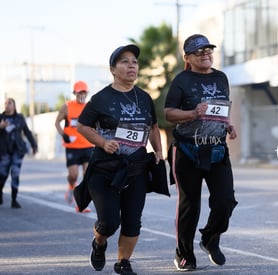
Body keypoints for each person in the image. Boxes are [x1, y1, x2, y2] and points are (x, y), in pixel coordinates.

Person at [77, 44, 163, 275]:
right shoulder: (101, 99)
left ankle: (123, 262)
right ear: (113, 69)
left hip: (135, 169)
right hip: (105, 170)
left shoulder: (144, 98)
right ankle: (99, 242)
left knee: (133, 221)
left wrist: (158, 152)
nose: (131, 65)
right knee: (109, 222)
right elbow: (82, 126)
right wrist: (103, 142)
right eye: (124, 61)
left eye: (134, 61)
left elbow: (153, 127)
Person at [164, 34, 238, 271]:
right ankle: (184, 255)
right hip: (187, 149)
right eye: (199, 52)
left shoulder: (221, 77)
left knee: (225, 200)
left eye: (208, 50)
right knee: (189, 206)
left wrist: (228, 124)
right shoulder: (181, 80)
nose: (205, 54)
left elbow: (221, 108)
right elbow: (168, 113)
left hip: (217, 147)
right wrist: (192, 114)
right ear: (188, 58)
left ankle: (210, 238)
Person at [55, 81, 94, 212]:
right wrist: (63, 134)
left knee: (87, 175)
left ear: (87, 93)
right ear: (75, 93)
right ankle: (71, 186)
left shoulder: (90, 107)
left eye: (84, 92)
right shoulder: (67, 106)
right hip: (72, 146)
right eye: (79, 92)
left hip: (88, 145)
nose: (82, 95)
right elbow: (57, 123)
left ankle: (81, 204)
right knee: (73, 175)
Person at [0, 98, 38, 208]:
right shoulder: (0, 118)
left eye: (9, 103)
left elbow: (27, 131)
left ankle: (14, 199)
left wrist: (34, 145)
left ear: (14, 106)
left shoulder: (19, 118)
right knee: (2, 174)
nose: (7, 105)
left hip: (17, 150)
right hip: (3, 152)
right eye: (5, 103)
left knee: (15, 174)